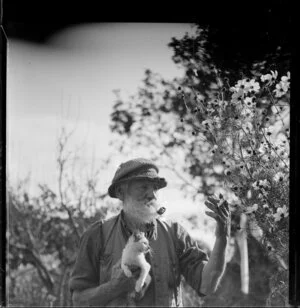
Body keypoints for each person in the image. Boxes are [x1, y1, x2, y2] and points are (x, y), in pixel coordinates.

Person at [69, 158, 231, 307]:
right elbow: (78, 301)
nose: (152, 194)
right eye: (143, 187)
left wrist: (222, 237)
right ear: (120, 192)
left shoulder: (175, 233)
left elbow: (207, 285)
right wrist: (114, 287)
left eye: (154, 188)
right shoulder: (98, 234)